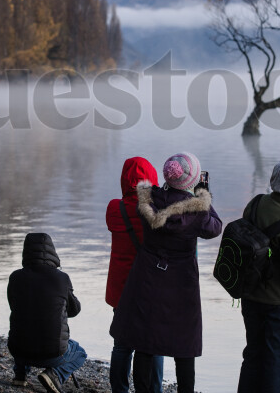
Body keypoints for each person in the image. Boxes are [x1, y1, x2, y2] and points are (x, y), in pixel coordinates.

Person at [110, 151, 223, 393]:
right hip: (181, 283)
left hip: (148, 276)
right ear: (191, 180)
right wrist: (203, 195)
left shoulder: (146, 201)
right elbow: (216, 228)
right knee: (184, 345)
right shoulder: (197, 213)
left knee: (145, 340)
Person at [238, 159, 280, 393]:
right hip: (277, 302)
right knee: (275, 361)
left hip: (249, 293)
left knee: (252, 354)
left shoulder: (255, 203)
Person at [105, 157, 164, 393]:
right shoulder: (155, 211)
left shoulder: (114, 208)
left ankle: (119, 389)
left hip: (121, 287)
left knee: (122, 345)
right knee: (152, 343)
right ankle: (154, 389)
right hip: (149, 286)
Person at [7, 232, 87, 393]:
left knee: (24, 325)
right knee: (80, 353)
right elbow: (75, 310)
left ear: (26, 252)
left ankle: (20, 376)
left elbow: (14, 306)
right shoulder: (62, 278)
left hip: (19, 350)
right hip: (52, 353)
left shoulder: (15, 277)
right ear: (52, 251)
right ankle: (55, 374)